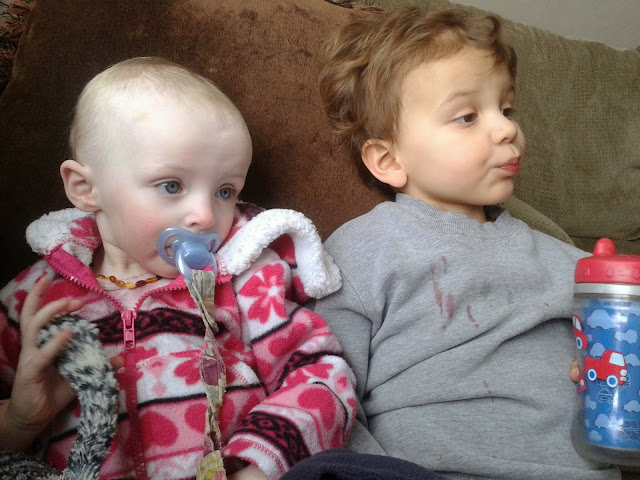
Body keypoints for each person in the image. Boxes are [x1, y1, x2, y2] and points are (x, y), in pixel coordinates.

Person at [0, 57, 356, 480]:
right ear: (86, 188)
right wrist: (19, 421)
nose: (205, 216)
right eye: (171, 186)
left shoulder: (246, 282)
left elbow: (322, 377)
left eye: (225, 191)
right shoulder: (32, 300)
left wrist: (256, 467)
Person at [314, 6, 620, 480]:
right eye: (467, 116)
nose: (507, 129)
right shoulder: (361, 252)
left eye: (507, 109)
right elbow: (323, 390)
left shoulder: (571, 263)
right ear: (389, 160)